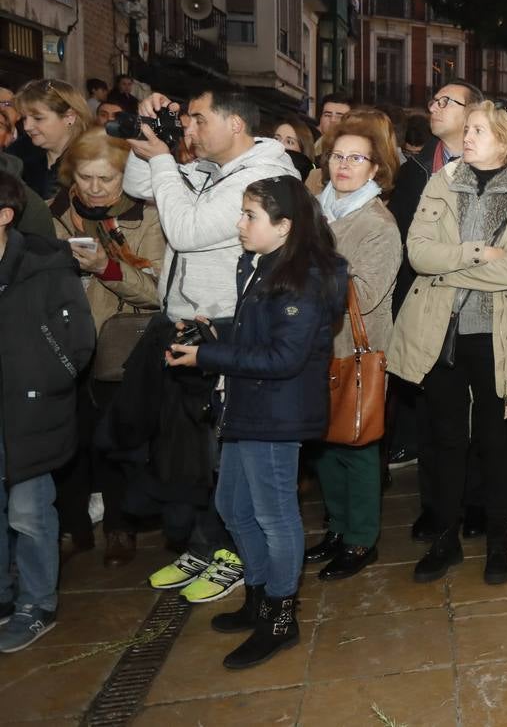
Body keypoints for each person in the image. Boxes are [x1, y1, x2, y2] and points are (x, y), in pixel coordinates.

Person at [117, 88, 298, 603]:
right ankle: (204, 543)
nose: (189, 127)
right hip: (185, 320)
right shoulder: (214, 171)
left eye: (198, 118)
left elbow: (187, 229)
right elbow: (141, 189)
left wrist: (165, 161)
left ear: (236, 123)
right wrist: (148, 143)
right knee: (186, 451)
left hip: (225, 328)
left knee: (221, 453)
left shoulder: (264, 179)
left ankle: (234, 554)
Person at [167, 176, 345, 670]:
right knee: (233, 505)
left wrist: (208, 355)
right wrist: (211, 334)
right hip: (250, 404)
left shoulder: (303, 277)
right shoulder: (265, 264)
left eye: (251, 216)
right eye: (243, 214)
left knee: (273, 515)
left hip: (278, 411)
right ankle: (259, 594)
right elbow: (256, 332)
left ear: (284, 226)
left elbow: (285, 357)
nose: (240, 225)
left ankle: (280, 618)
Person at [387, 100, 507, 586]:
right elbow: (417, 252)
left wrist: (451, 267)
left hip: (498, 335)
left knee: (495, 444)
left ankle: (498, 543)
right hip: (440, 331)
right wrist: (477, 253)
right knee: (445, 441)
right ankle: (445, 540)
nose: (468, 136)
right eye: (469, 128)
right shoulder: (441, 182)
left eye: (478, 129)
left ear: (504, 140)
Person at [48, 131, 164, 568]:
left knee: (115, 443)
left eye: (108, 178)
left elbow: (156, 293)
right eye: (86, 177)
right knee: (67, 442)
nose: (96, 188)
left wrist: (106, 268)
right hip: (59, 344)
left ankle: (121, 525)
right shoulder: (50, 215)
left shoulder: (146, 218)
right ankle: (74, 525)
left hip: (119, 349)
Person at [0, 171, 96, 653]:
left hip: (32, 412)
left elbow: (78, 340)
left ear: (4, 216)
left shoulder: (44, 265)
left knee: (29, 514)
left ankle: (37, 604)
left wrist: (47, 382)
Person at [304, 112, 402, 582]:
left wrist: (305, 275)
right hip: (311, 346)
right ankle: (338, 529)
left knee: (357, 441)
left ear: (376, 168)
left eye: (356, 158)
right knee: (322, 444)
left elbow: (366, 293)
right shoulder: (313, 209)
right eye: (337, 156)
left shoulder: (378, 224)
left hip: (355, 347)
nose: (343, 165)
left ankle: (362, 539)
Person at [383, 79, 485, 506]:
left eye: (448, 101)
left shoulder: (496, 169)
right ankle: (435, 507)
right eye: (434, 100)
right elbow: (408, 248)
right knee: (430, 415)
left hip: (479, 307)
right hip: (426, 307)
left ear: (473, 113)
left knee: (481, 412)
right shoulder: (416, 171)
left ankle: (477, 501)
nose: (434, 106)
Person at [16, 79, 91, 200]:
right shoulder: (18, 155)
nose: (27, 127)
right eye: (24, 118)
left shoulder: (94, 161)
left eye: (38, 118)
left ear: (69, 117)